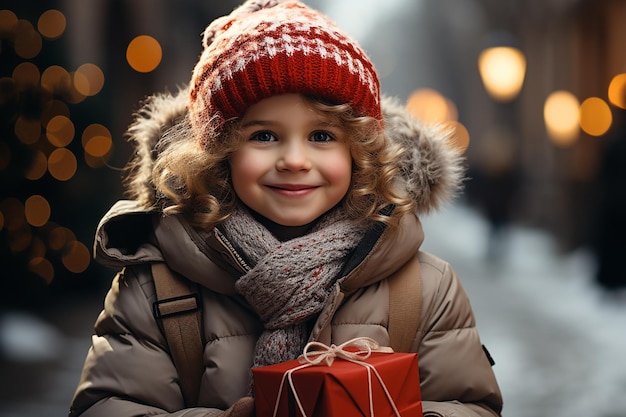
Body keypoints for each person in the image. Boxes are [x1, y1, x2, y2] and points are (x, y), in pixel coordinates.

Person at [69, 1, 503, 416]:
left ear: (359, 153)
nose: (295, 161)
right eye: (263, 136)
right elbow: (109, 405)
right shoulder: (156, 288)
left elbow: (470, 403)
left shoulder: (426, 288)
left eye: (321, 137)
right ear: (220, 155)